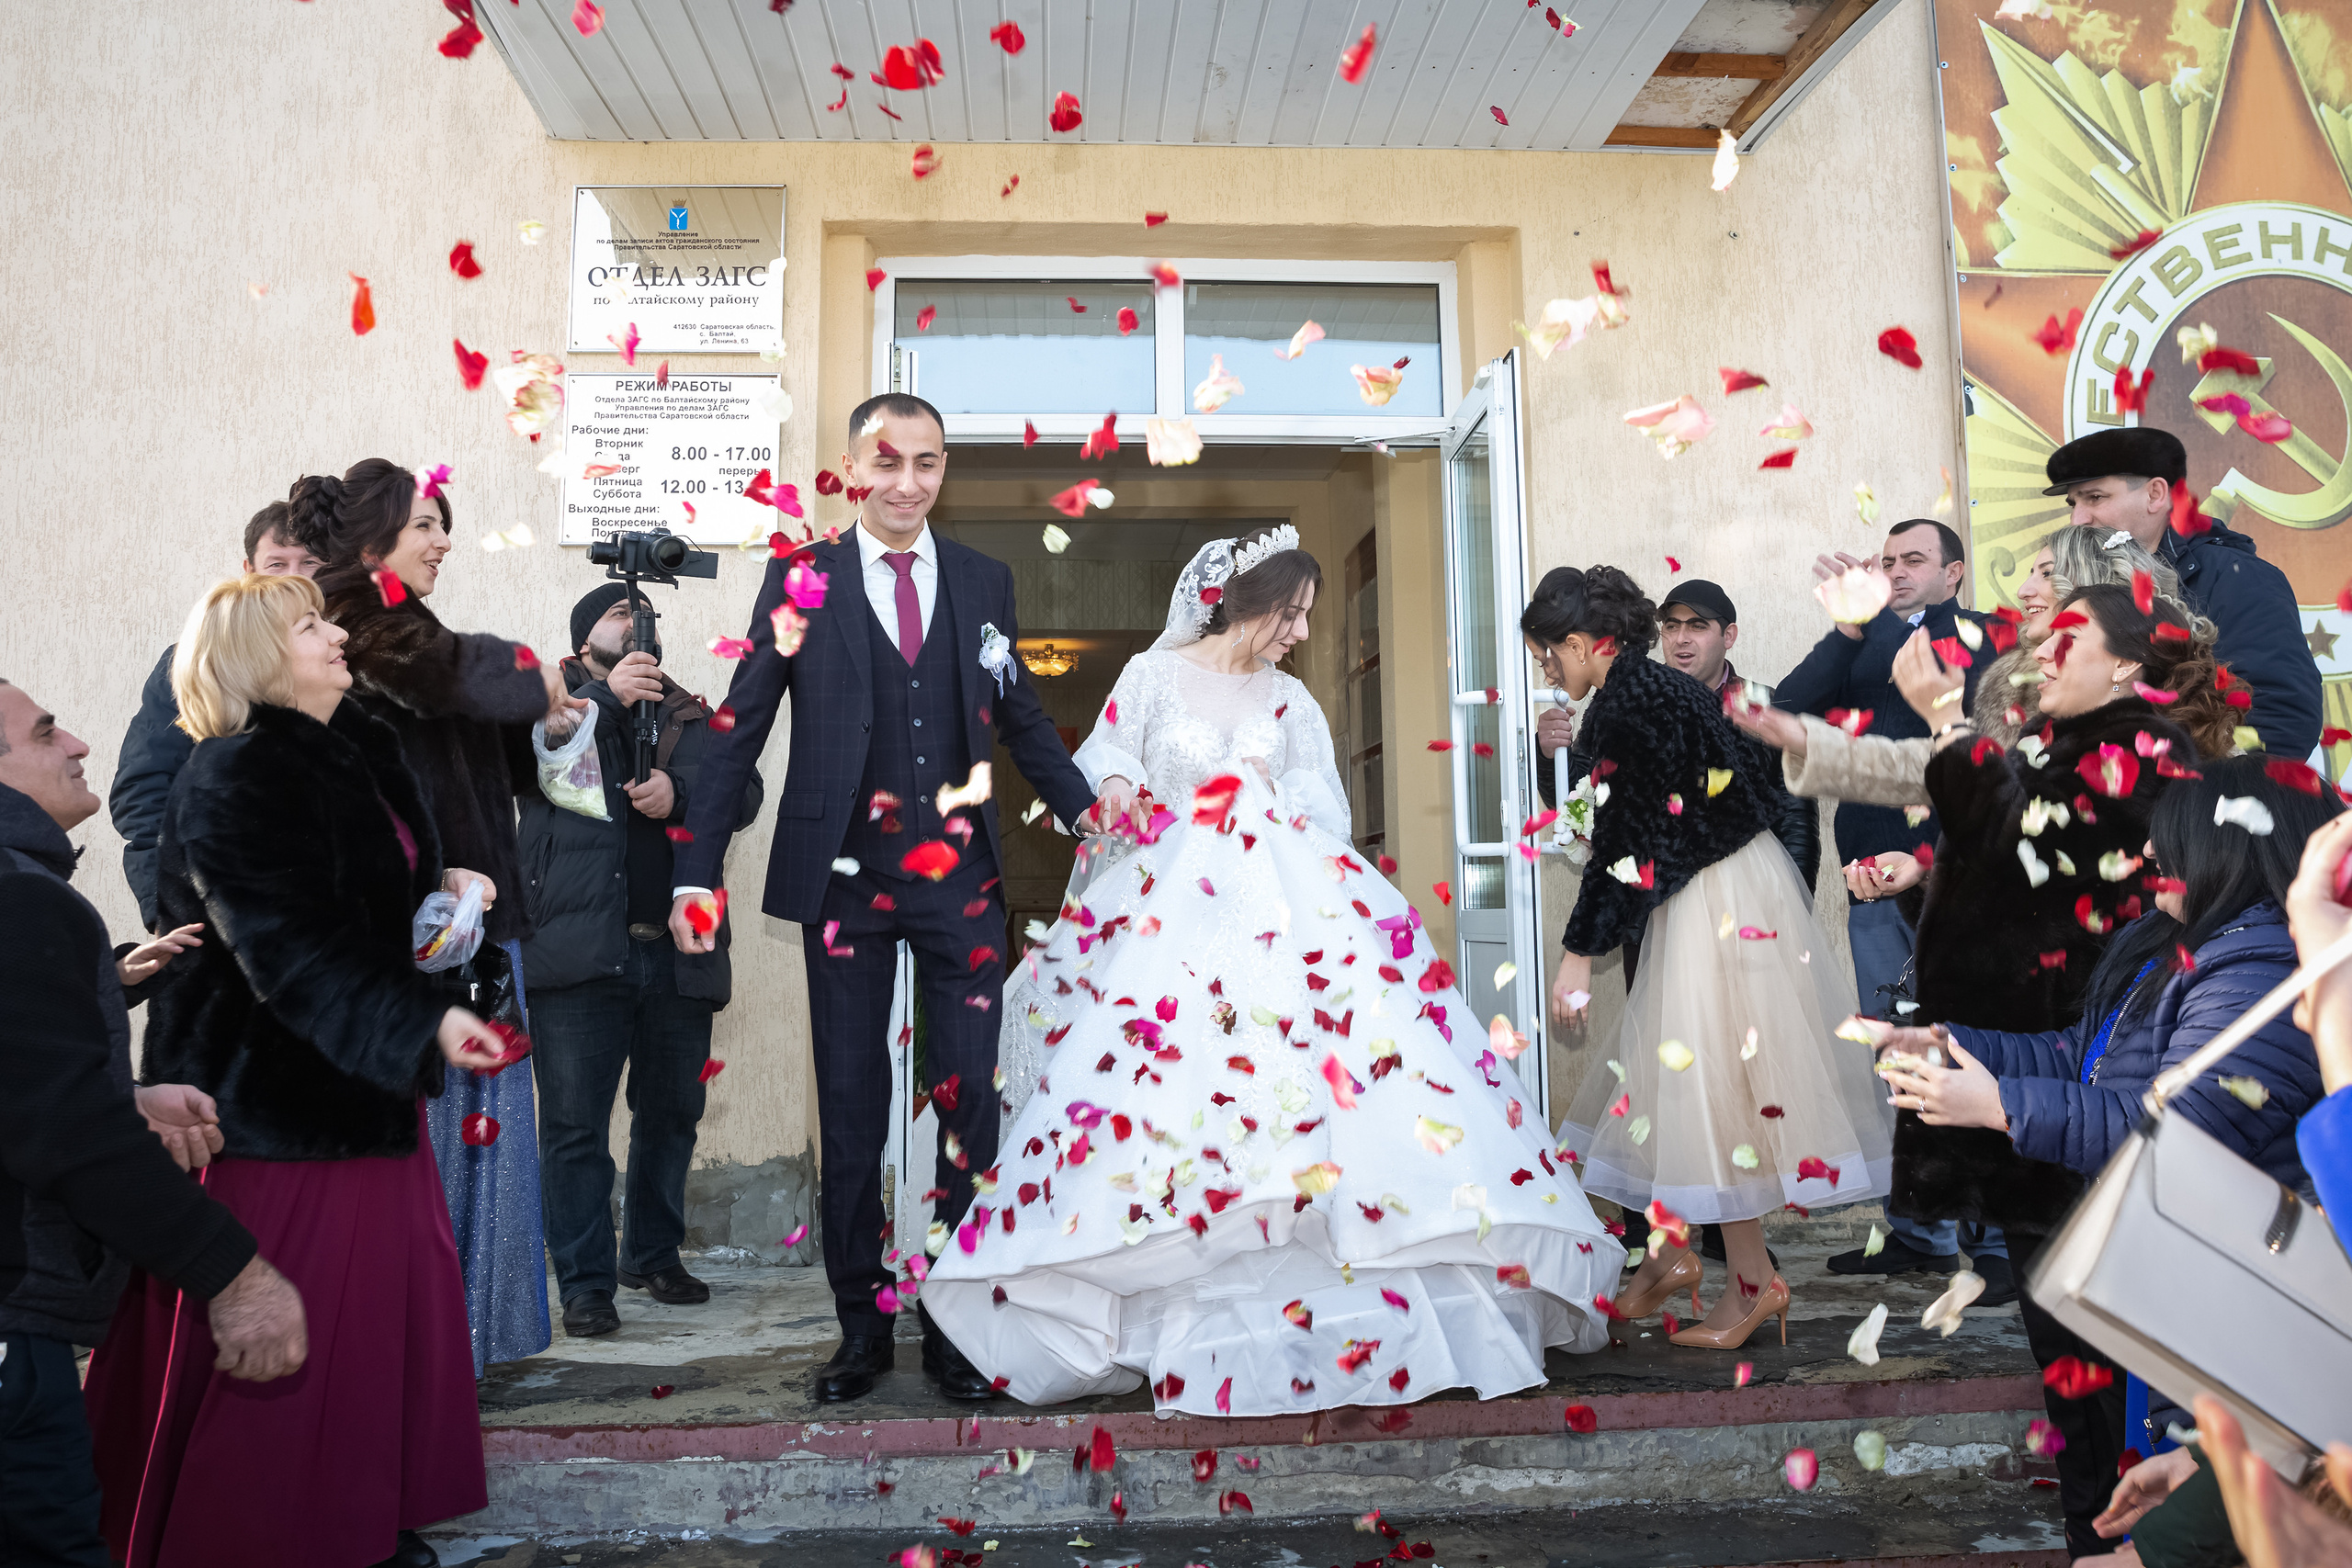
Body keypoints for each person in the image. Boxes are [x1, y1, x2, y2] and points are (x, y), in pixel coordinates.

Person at [921, 532, 1624, 1413]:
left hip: (1275, 922)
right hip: (1172, 918)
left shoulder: (1291, 702)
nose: (1298, 634)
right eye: (1290, 615)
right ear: (1244, 599)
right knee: (1174, 1097)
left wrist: (1264, 805)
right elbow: (1103, 762)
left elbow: (1324, 802)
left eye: (1304, 618)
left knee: (1301, 1097)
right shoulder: (1148, 675)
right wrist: (1128, 791)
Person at [669, 393, 1115, 1405]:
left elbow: (1024, 718)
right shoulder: (800, 579)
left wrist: (1087, 812)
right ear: (849, 469)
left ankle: (957, 1322)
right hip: (844, 880)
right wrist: (696, 866)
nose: (907, 482)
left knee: (971, 1106)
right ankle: (860, 1324)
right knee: (853, 1104)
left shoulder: (984, 580)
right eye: (887, 462)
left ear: (943, 469)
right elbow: (740, 725)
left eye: (927, 462)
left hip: (960, 884)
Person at [80, 572, 511, 1568]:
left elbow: (367, 913)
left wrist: (449, 917)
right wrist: (429, 1026)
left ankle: (358, 1527)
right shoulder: (233, 772)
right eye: (309, 624)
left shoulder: (361, 748)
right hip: (269, 1112)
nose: (333, 634)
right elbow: (292, 950)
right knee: (287, 1357)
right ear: (255, 658)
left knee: (363, 1345)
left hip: (362, 1091)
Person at [1865, 754, 2337, 1562]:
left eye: (2171, 844)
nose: (2152, 860)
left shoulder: (2260, 966)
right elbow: (2081, 1056)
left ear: (2230, 849)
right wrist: (1951, 1047)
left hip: (2234, 1305)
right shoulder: (2177, 943)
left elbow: (2175, 1130)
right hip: (2184, 1282)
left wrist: (1998, 1105)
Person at [1533, 566, 1888, 1349]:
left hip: (1718, 899)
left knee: (1716, 1085)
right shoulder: (1644, 692)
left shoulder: (1636, 704)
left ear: (1580, 643)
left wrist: (1576, 955)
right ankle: (1670, 1255)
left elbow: (1631, 843)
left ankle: (1753, 1284)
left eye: (1548, 655)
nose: (1547, 672)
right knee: (1686, 1080)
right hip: (1720, 887)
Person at [0, 678, 308, 1566]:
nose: (79, 746)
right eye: (47, 732)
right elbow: (66, 1136)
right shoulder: (21, 899)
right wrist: (237, 1275)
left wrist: (121, 1096)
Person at [291, 458, 572, 1373]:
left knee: (479, 1140)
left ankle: (458, 1346)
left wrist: (542, 724)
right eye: (426, 526)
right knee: (449, 1145)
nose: (443, 540)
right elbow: (476, 678)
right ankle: (434, 1347)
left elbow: (481, 737)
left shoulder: (403, 625)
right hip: (427, 933)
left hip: (470, 923)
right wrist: (536, 677)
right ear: (374, 543)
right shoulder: (366, 627)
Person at [521, 584, 764, 1338]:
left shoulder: (691, 712)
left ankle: (653, 1255)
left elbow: (745, 791)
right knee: (574, 1127)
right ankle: (587, 1283)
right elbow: (535, 774)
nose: (636, 622)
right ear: (581, 634)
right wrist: (601, 697)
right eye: (617, 611)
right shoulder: (547, 703)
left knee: (671, 1115)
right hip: (580, 954)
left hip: (679, 954)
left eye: (643, 613)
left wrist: (680, 791)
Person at [1747, 526, 2182, 804]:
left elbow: (2002, 797)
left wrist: (1874, 614)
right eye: (1887, 564)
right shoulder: (2028, 672)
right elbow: (1927, 768)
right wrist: (1805, 736)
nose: (2025, 589)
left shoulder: (1988, 634)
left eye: (2046, 574)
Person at [2046, 426, 2323, 761]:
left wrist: (2186, 797)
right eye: (2073, 503)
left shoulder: (2239, 577)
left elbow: (2281, 717)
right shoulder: (2082, 584)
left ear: (2155, 495)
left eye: (2095, 497)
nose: (2078, 519)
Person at [108, 502, 321, 931]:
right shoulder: (197, 662)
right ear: (248, 570)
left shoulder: (348, 664)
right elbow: (145, 792)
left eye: (311, 563)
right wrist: (168, 912)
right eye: (276, 564)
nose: (295, 577)